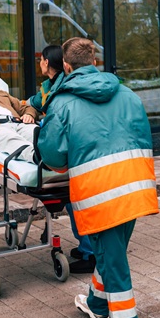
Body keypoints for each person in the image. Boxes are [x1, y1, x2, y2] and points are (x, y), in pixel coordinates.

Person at [38, 37, 158, 318]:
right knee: (111, 252)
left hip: (99, 193)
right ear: (95, 62)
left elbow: (53, 157)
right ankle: (96, 304)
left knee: (114, 262)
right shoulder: (129, 94)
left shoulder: (62, 103)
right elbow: (143, 136)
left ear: (65, 66)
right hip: (135, 186)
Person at [28, 45, 96, 275]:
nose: (39, 63)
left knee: (76, 201)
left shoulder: (63, 88)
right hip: (81, 149)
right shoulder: (51, 86)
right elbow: (36, 102)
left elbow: (55, 116)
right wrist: (30, 111)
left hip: (73, 151)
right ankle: (88, 247)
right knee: (73, 200)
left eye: (40, 60)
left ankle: (91, 253)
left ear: (47, 62)